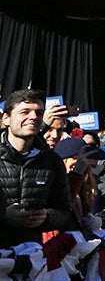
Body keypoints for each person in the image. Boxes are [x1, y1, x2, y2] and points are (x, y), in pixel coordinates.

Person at [0, 89, 73, 246]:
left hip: (31, 257)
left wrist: (46, 217)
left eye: (39, 112)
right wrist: (4, 216)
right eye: (25, 112)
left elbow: (65, 212)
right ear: (6, 118)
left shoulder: (52, 161)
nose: (33, 117)